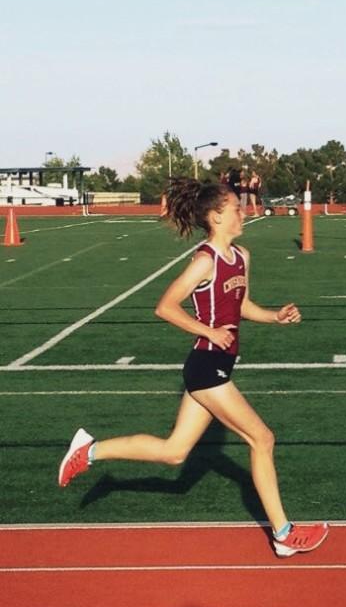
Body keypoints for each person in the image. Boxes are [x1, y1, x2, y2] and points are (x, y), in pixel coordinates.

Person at [57, 177, 328, 558]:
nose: (243, 211)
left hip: (217, 366)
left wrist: (274, 317)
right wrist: (208, 330)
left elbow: (241, 306)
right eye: (236, 207)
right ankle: (283, 533)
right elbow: (165, 306)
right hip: (206, 366)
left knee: (174, 452)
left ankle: (89, 451)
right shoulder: (205, 260)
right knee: (262, 439)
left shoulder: (241, 257)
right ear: (217, 216)